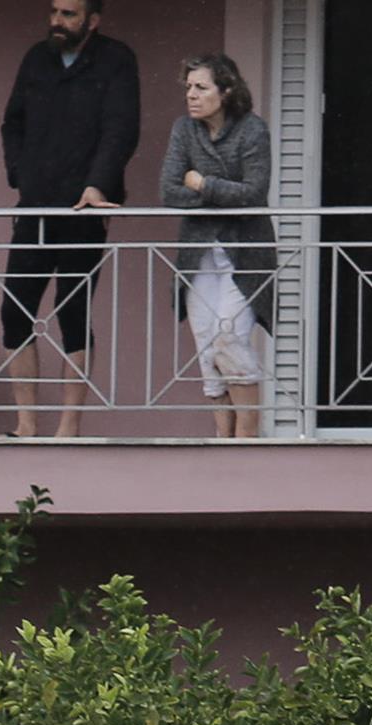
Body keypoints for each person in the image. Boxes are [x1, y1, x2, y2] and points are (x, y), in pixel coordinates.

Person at [0, 0, 139, 438]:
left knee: (72, 311)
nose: (57, 21)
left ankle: (68, 427)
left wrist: (97, 186)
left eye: (69, 14)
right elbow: (12, 122)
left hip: (85, 208)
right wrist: (21, 174)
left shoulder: (116, 59)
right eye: (55, 11)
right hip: (36, 205)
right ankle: (25, 425)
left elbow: (121, 128)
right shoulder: (37, 59)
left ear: (92, 21)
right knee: (14, 310)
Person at [159, 53, 272, 438]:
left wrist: (203, 184)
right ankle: (223, 440)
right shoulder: (183, 130)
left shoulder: (252, 129)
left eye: (201, 87)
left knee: (229, 335)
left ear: (226, 91)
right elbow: (169, 191)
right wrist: (222, 196)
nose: (191, 95)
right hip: (198, 253)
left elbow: (255, 194)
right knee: (208, 347)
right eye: (188, 87)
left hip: (247, 252)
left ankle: (247, 439)